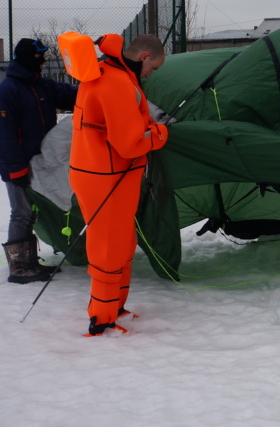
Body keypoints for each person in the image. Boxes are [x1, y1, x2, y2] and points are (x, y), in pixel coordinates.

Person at [69, 33, 168, 336]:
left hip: (104, 173)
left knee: (122, 241)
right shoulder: (117, 82)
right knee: (109, 248)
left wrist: (145, 126)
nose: (152, 74)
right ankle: (101, 318)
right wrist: (160, 133)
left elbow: (121, 126)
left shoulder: (109, 73)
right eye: (154, 67)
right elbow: (129, 143)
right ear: (145, 57)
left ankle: (115, 306)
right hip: (107, 176)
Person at [0, 38, 77, 283]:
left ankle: (29, 261)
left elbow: (73, 96)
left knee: (33, 211)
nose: (42, 62)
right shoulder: (7, 92)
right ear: (29, 58)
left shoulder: (42, 86)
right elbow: (4, 136)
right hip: (18, 164)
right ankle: (20, 268)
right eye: (39, 57)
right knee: (21, 212)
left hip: (42, 162)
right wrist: (15, 170)